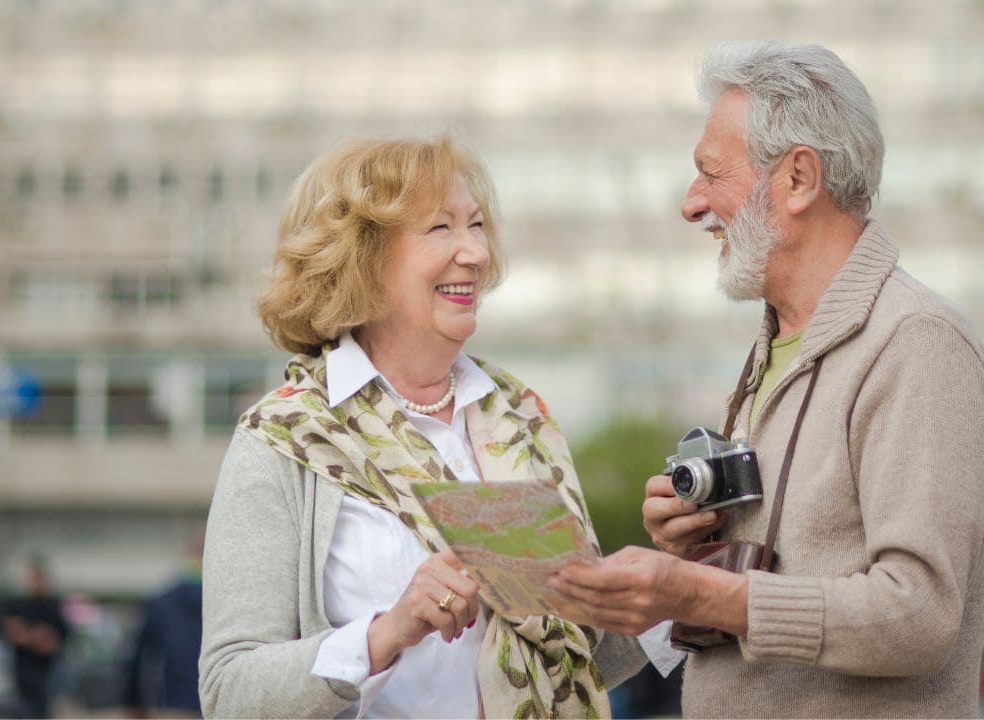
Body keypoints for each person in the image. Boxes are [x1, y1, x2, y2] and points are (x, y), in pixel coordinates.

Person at [549, 41, 984, 717]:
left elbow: (919, 615)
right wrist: (690, 550)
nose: (690, 203)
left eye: (711, 173)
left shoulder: (917, 342)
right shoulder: (776, 344)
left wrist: (700, 593)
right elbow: (782, 574)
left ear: (797, 178)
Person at [199, 137, 650, 719]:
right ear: (361, 257)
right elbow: (230, 692)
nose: (476, 253)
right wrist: (388, 632)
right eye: (441, 228)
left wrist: (679, 579)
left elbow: (572, 658)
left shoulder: (511, 418)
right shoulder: (285, 438)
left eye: (477, 225)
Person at [124, 531, 204, 717]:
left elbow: (138, 657)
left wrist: (133, 701)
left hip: (172, 702)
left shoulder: (160, 601)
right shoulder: (236, 605)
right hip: (223, 705)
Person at [0, 555, 69, 719]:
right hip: (22, 669)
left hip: (46, 671)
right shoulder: (16, 604)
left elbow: (60, 637)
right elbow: (3, 627)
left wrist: (40, 638)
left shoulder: (52, 605)